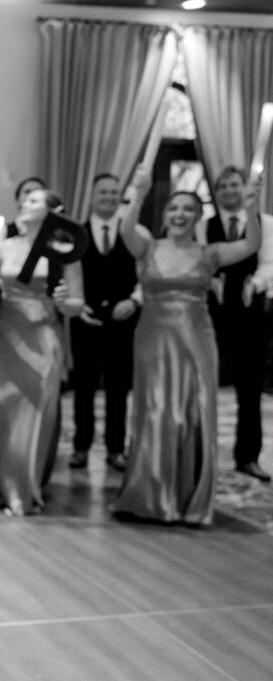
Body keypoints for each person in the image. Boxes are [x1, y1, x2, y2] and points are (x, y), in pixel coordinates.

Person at [113, 169, 261, 525]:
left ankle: (186, 495)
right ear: (165, 216)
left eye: (187, 210)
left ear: (197, 217)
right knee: (155, 411)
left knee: (190, 414)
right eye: (173, 209)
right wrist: (139, 194)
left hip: (196, 340)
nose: (179, 215)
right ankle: (149, 495)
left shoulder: (209, 253)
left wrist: (252, 210)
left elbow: (251, 245)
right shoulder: (148, 247)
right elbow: (125, 231)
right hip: (152, 340)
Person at [0, 188, 86, 516]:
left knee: (34, 413)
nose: (24, 203)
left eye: (33, 200)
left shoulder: (64, 252)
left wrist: (63, 301)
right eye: (24, 199)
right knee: (0, 409)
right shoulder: (4, 247)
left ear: (50, 211)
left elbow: (76, 304)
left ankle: (21, 488)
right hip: (7, 337)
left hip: (44, 338)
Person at [69, 173, 150, 472]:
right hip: (85, 319)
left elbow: (146, 272)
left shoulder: (135, 232)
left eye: (114, 192)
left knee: (118, 387)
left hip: (123, 320)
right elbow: (68, 274)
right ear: (92, 196)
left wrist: (135, 300)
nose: (109, 197)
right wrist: (77, 307)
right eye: (103, 192)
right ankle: (81, 446)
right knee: (84, 387)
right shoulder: (76, 234)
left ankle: (116, 448)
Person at [198, 166, 273, 482]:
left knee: (250, 389)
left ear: (245, 188)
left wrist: (254, 283)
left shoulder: (266, 224)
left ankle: (248, 456)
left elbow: (270, 262)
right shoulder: (203, 227)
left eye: (234, 185)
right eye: (222, 186)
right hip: (211, 316)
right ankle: (201, 455)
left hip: (251, 317)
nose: (228, 191)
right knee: (204, 387)